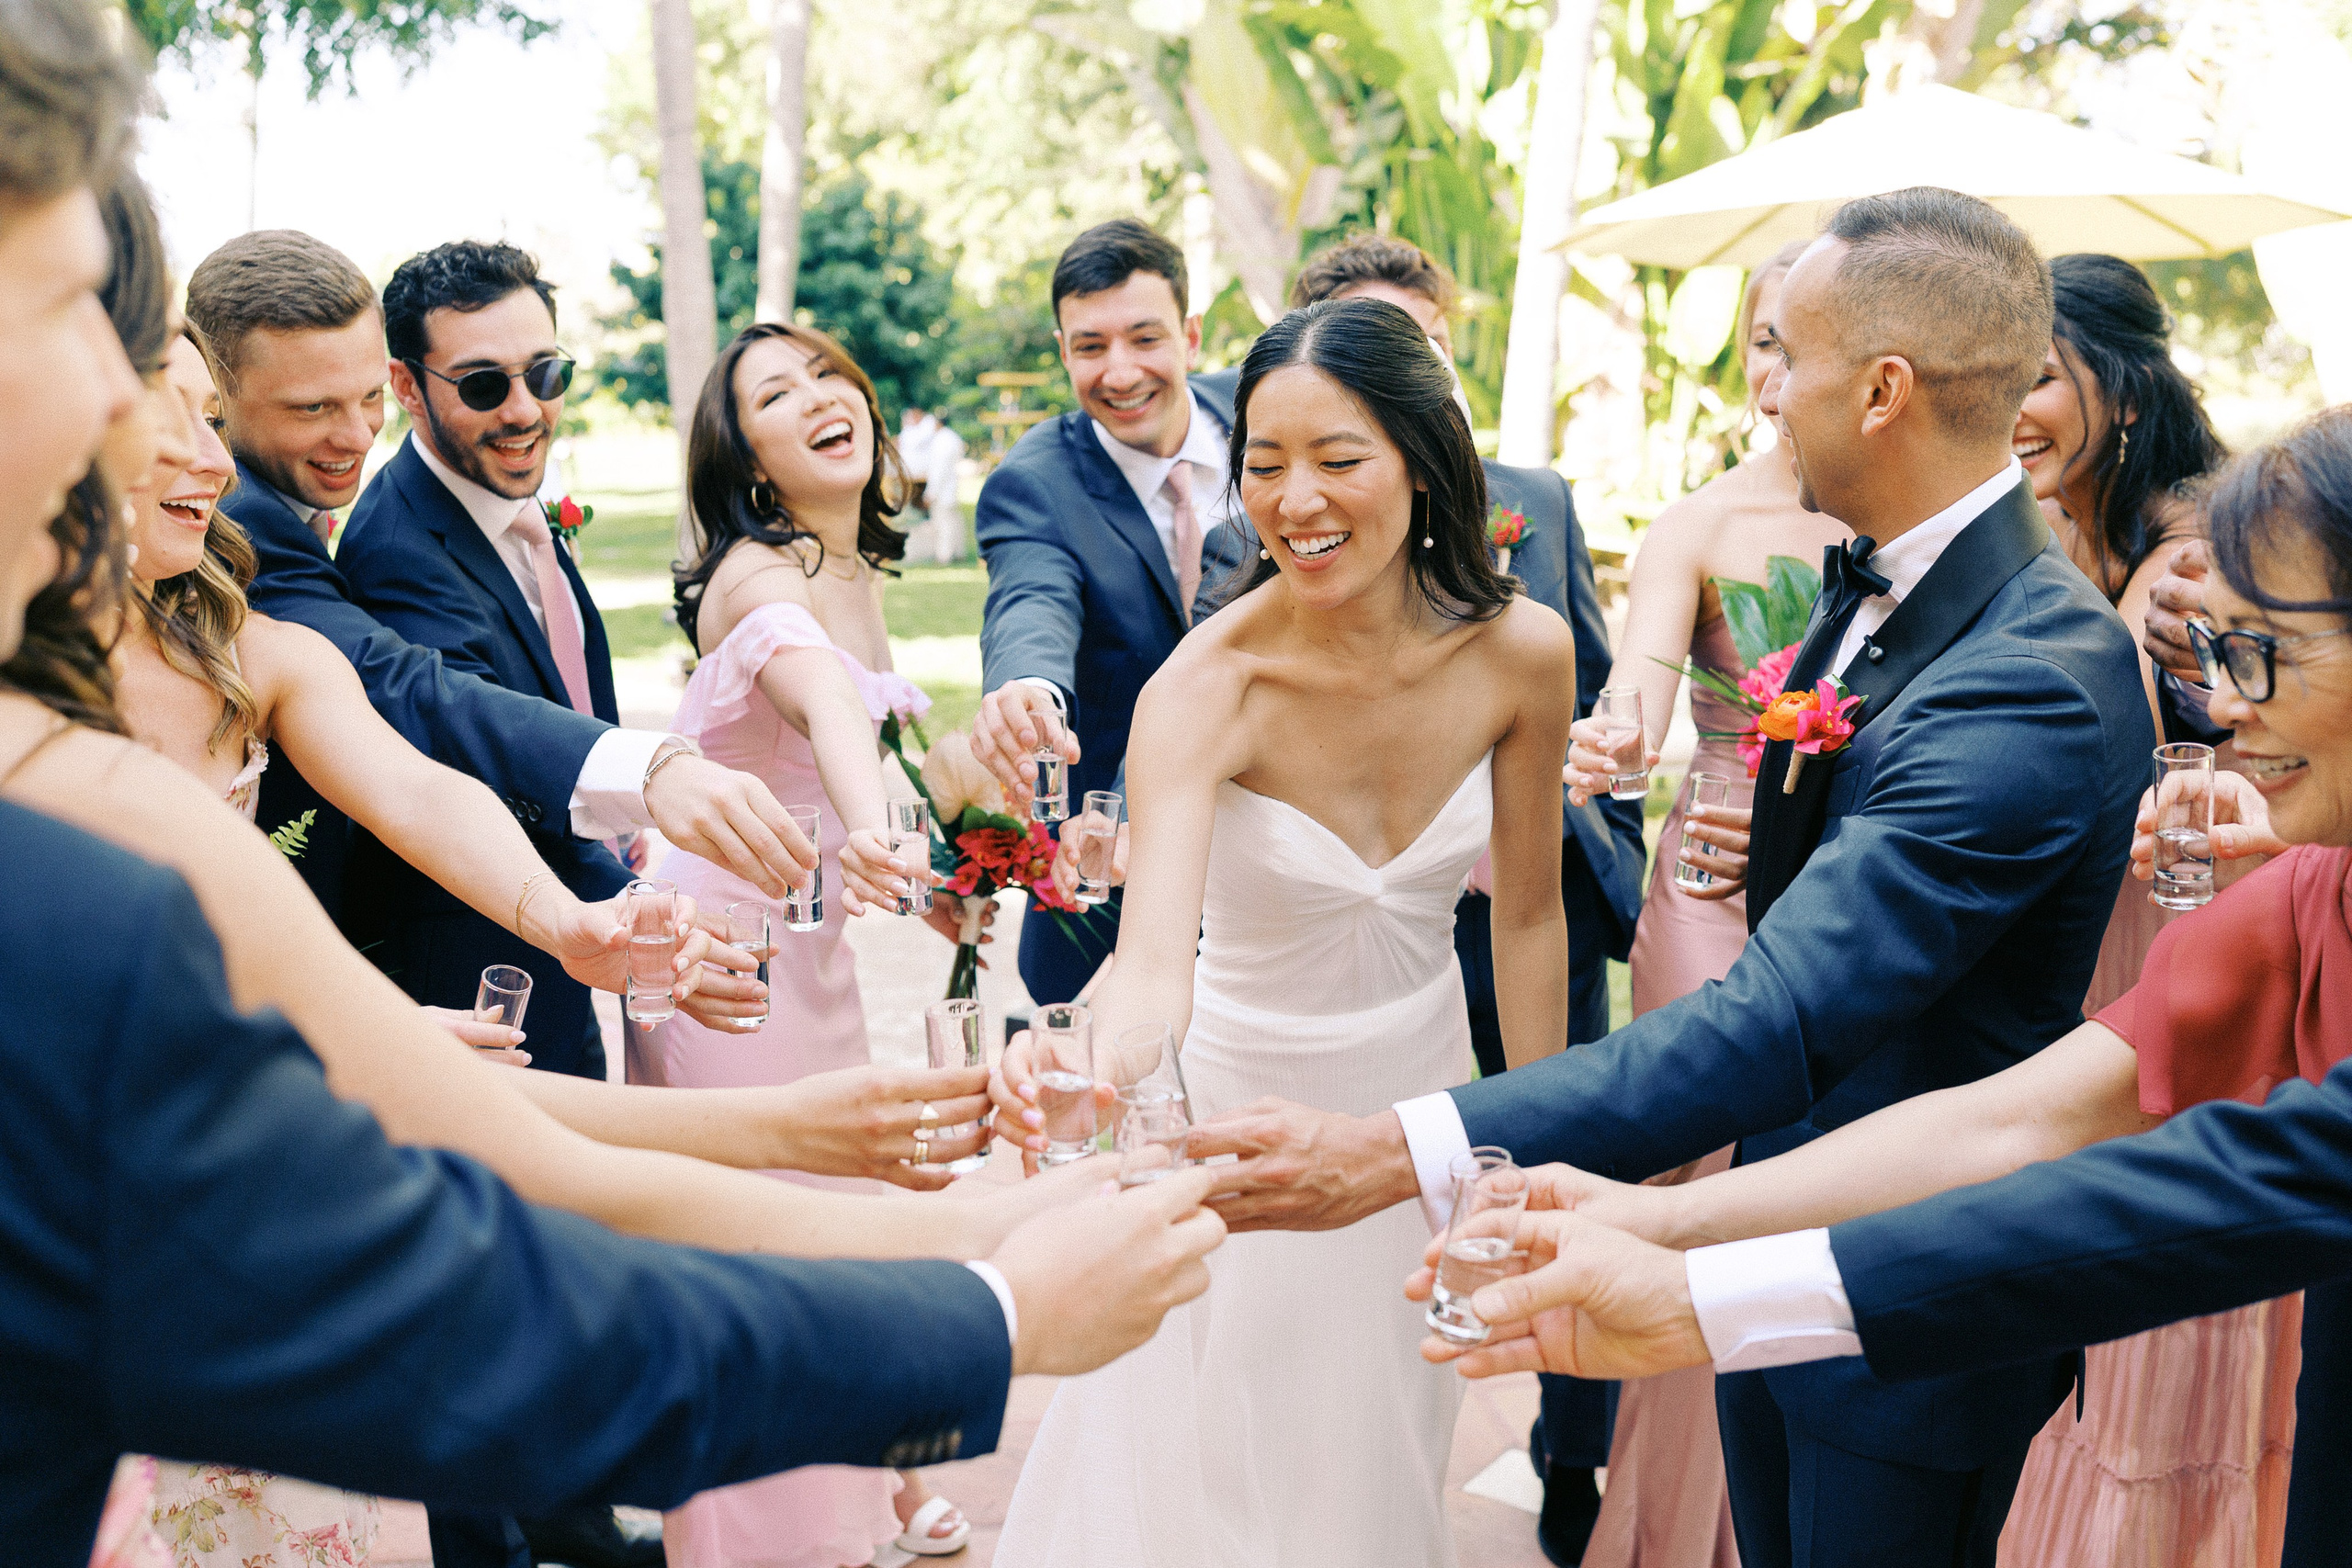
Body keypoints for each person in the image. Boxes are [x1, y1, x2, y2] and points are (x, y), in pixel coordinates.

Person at [0, 6, 1231, 1562]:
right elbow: (458, 1301)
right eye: (73, 322)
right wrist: (982, 1309)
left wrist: (865, 1166)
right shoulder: (74, 867)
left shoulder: (143, 757)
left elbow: (489, 1072)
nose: (140, 424)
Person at [1181, 189, 2154, 1568]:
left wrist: (1386, 1146)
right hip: (1786, 1233)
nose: (1768, 397)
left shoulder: (2027, 679)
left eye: (1788, 357)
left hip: (1913, 1303)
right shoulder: (1891, 591)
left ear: (1882, 390)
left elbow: (1776, 1021)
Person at [1409, 412, 2352, 1568]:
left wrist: (1697, 1294)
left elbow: (2197, 1200)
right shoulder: (2311, 890)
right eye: (2213, 650)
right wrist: (1657, 1222)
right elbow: (2025, 1114)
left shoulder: (2040, 672)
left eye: (2260, 654)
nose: (2223, 705)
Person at [985, 297, 1576, 1565]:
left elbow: (1529, 915)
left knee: (1379, 1471)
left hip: (1422, 1118)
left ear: (1423, 459)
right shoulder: (1205, 685)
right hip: (1239, 1131)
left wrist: (1525, 1139)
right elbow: (1152, 966)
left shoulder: (1524, 653)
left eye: (1337, 459)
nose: (1295, 500)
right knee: (1227, 1481)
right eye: (1262, 465)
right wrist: (1091, 1069)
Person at [1273, 230, 1645, 1563]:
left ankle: (1571, 1447)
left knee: (1560, 1164)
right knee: (1375, 1233)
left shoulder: (1537, 497)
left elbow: (1595, 680)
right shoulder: (1272, 527)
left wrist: (1599, 747)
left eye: (1422, 344)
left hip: (1537, 906)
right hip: (1373, 934)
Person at [184, 229, 808, 990]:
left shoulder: (313, 507)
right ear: (215, 391)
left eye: (368, 397)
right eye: (314, 406)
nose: (356, 435)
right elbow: (408, 691)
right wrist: (646, 773)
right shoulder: (235, 525)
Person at [640, 321, 986, 1563]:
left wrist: (931, 863)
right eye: (775, 396)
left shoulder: (851, 564)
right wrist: (876, 823)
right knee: (761, 1242)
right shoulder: (757, 578)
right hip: (726, 961)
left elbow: (869, 746)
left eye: (828, 373)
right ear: (749, 465)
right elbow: (827, 704)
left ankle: (866, 1476)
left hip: (813, 941)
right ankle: (761, 1533)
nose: (819, 398)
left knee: (836, 1209)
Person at [1998, 254, 2295, 1568]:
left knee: (2159, 1333)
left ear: (2119, 394)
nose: (2013, 403)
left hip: (2199, 955)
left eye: (2041, 375)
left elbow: (2186, 748)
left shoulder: (2187, 561)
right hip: (2110, 961)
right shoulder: (2067, 539)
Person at [1568, 237, 1843, 1568]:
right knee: (1701, 1174)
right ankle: (1677, 1528)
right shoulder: (1698, 522)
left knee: (1831, 1174)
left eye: (1799, 339)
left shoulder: (1915, 530)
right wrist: (1615, 738)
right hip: (1715, 875)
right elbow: (1644, 686)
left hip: (1849, 875)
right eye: (1759, 341)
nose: (1773, 369)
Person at [317, 240, 641, 1084]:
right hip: (481, 984)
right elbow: (479, 761)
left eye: (546, 373)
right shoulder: (396, 551)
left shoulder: (505, 498)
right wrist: (633, 902)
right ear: (405, 387)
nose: (526, 409)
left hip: (563, 971)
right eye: (485, 385)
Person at [970, 219, 1251, 1003]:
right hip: (1118, 854)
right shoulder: (1035, 483)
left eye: (1144, 338)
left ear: (1191, 335)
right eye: (1090, 346)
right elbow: (1031, 595)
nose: (1119, 372)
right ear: (1063, 351)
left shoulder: (1271, 411)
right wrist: (1027, 689)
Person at [901, 401, 967, 565]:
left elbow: (938, 471)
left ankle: (944, 555)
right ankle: (959, 552)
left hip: (942, 490)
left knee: (943, 523)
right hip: (951, 488)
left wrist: (930, 493)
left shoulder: (941, 442)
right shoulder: (951, 438)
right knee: (953, 521)